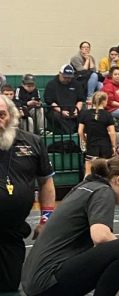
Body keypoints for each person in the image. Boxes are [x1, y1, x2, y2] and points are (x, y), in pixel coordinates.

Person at [21, 156, 119, 296]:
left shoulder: (85, 186)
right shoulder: (103, 191)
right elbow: (100, 236)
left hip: (35, 282)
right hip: (47, 282)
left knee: (118, 251)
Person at [0, 95, 56, 292]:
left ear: (12, 116)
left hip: (12, 232)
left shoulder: (33, 142)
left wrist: (46, 219)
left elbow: (46, 182)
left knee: (9, 284)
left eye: (1, 114)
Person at [78, 91, 117, 176]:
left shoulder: (85, 114)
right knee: (107, 172)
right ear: (103, 101)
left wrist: (85, 141)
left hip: (91, 145)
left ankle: (85, 187)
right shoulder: (107, 115)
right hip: (105, 146)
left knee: (88, 173)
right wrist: (114, 145)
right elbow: (112, 132)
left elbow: (80, 131)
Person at [43, 64, 86, 134]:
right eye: (65, 77)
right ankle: (69, 133)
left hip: (73, 109)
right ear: (60, 73)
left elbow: (80, 100)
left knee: (83, 113)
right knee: (56, 115)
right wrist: (61, 111)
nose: (67, 79)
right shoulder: (51, 84)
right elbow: (50, 101)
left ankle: (81, 133)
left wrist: (77, 110)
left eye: (69, 77)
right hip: (58, 110)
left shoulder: (76, 84)